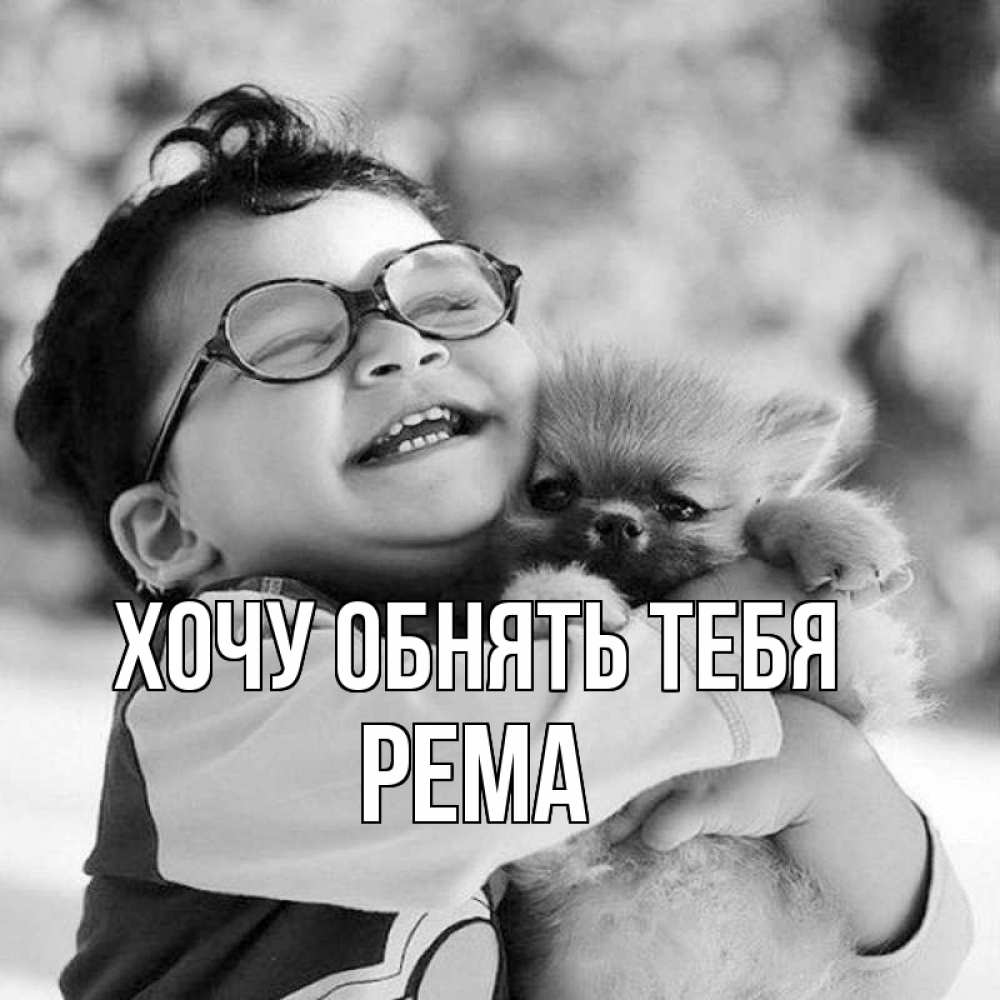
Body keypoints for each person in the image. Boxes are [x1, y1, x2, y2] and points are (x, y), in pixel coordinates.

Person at [14, 86, 971, 999]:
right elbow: (494, 752)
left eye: (439, 300)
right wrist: (749, 610)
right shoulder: (208, 685)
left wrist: (828, 775)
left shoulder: (492, 633)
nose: (400, 346)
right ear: (171, 530)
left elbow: (915, 960)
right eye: (289, 337)